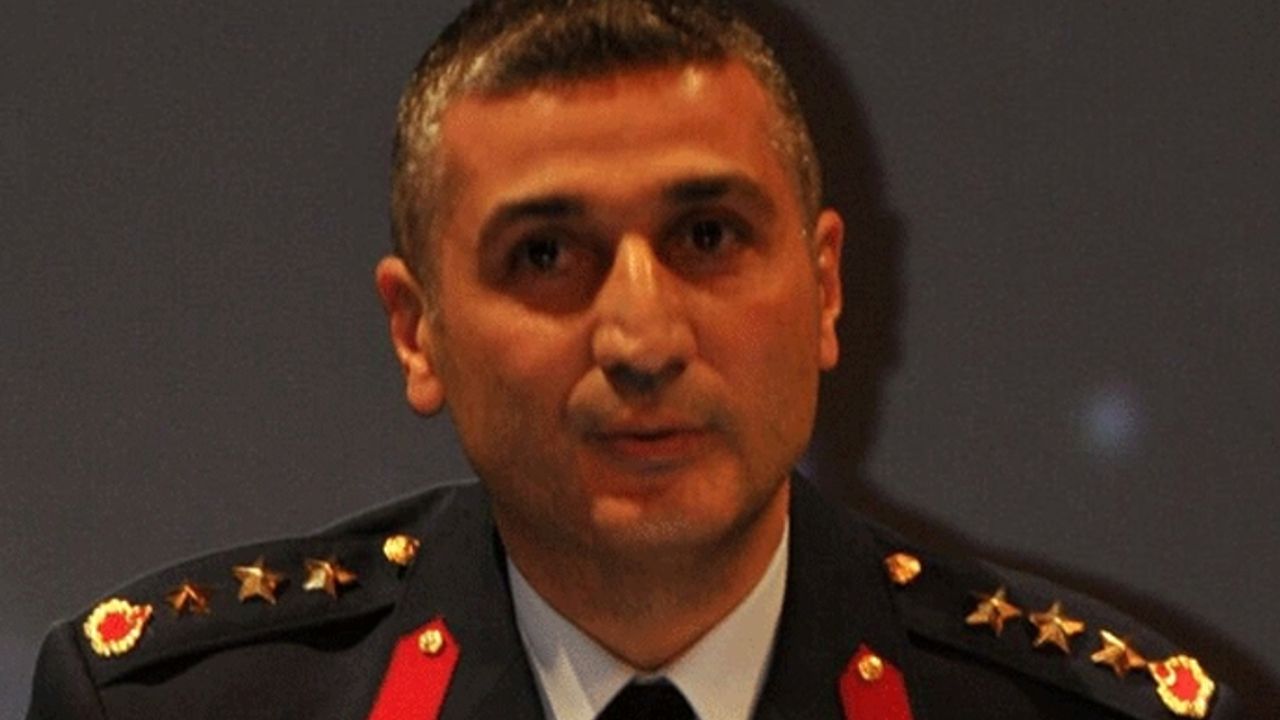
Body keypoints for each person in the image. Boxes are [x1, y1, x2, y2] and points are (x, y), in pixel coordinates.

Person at [26, 1, 1240, 718]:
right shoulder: (170, 709)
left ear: (823, 288)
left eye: (707, 238)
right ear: (416, 330)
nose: (643, 341)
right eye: (546, 256)